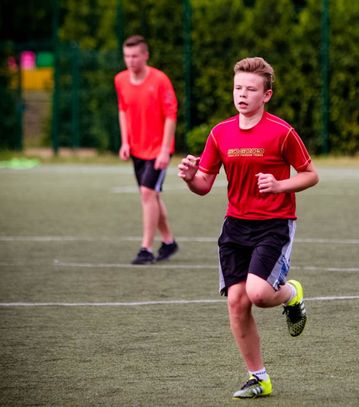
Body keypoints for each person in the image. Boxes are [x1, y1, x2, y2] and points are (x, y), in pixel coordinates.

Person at [178, 57, 319, 399]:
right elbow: (204, 185)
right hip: (235, 227)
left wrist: (280, 185)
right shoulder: (220, 133)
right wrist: (190, 177)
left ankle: (291, 294)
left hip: (274, 224)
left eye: (251, 89)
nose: (242, 94)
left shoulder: (282, 132)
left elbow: (310, 174)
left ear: (266, 95)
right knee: (237, 302)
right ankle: (259, 377)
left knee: (259, 294)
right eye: (237, 88)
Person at [115, 35, 179, 264]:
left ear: (145, 56)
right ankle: (169, 242)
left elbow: (171, 115)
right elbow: (123, 110)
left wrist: (164, 150)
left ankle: (146, 248)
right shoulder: (120, 79)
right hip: (137, 148)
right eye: (127, 56)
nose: (130, 60)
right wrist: (125, 141)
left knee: (147, 193)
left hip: (158, 150)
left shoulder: (160, 80)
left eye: (135, 56)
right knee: (152, 196)